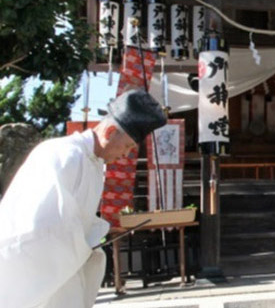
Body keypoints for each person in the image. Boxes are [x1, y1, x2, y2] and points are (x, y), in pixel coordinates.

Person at [0, 89, 167, 308]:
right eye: (127, 146)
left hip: (67, 268)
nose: (125, 155)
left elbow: (73, 221)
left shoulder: (94, 164)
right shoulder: (64, 155)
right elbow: (41, 227)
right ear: (109, 132)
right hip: (32, 269)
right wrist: (87, 241)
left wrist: (97, 233)